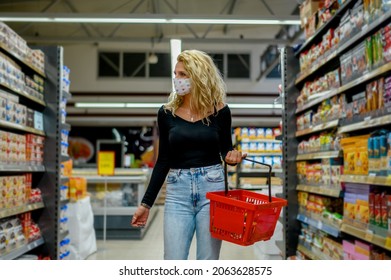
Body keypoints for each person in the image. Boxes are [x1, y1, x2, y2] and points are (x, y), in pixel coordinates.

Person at [131, 49, 246, 260]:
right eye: (176, 74)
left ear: (199, 75)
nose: (177, 79)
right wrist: (145, 204)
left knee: (208, 261)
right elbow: (163, 160)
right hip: (177, 191)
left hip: (212, 190)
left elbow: (225, 151)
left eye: (183, 74)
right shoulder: (166, 113)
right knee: (173, 261)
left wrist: (233, 157)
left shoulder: (221, 111)